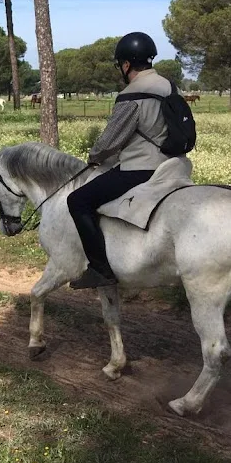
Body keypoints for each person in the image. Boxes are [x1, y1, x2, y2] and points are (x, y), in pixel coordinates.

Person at [66, 32, 173, 289]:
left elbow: (111, 140)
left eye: (120, 65)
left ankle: (100, 269)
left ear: (126, 65)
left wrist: (94, 157)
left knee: (77, 200)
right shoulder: (169, 87)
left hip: (140, 169)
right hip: (171, 166)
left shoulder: (132, 94)